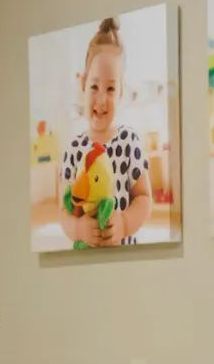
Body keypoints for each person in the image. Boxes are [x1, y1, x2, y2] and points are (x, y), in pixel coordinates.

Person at [57, 19, 152, 246]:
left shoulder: (128, 141)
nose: (101, 99)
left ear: (120, 93)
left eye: (110, 88)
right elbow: (64, 210)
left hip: (123, 256)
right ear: (83, 84)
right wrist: (78, 229)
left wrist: (125, 223)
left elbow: (144, 197)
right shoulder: (74, 149)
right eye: (94, 87)